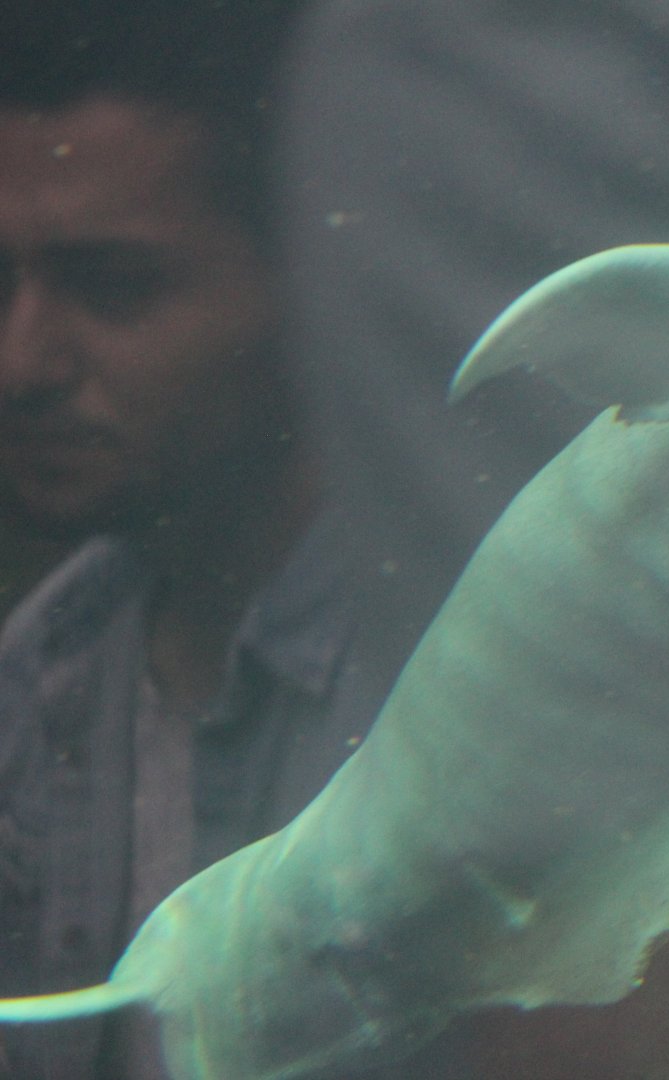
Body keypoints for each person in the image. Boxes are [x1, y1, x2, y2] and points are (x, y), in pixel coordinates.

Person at [0, 4, 379, 1077]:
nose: (21, 364)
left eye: (114, 288)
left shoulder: (446, 668)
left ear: (310, 284)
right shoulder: (43, 677)